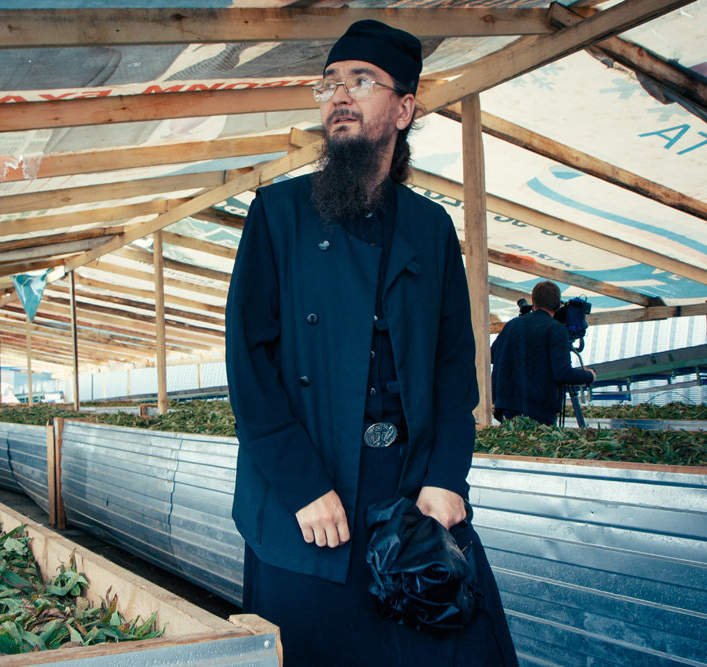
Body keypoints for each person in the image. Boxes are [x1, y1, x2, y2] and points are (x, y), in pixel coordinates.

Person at [225, 19, 518, 666]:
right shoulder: (276, 215)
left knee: (462, 644)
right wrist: (302, 484)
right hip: (306, 496)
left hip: (410, 493)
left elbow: (452, 368)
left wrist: (445, 479)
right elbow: (250, 367)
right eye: (329, 83)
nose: (339, 95)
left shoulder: (431, 227)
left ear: (405, 108)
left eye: (361, 80)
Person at [491, 280, 597, 426]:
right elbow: (562, 373)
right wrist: (589, 375)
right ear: (557, 304)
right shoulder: (556, 329)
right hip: (538, 411)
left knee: (513, 446)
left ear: (533, 301)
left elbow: (491, 355)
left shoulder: (512, 325)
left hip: (507, 407)